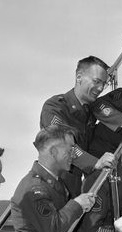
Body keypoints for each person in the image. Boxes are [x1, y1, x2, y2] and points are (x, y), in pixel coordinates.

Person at [40, 55, 116, 196]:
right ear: (79, 77)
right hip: (53, 184)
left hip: (75, 186)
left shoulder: (91, 111)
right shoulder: (55, 107)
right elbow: (63, 144)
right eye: (96, 81)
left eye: (103, 84)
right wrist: (94, 163)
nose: (100, 88)